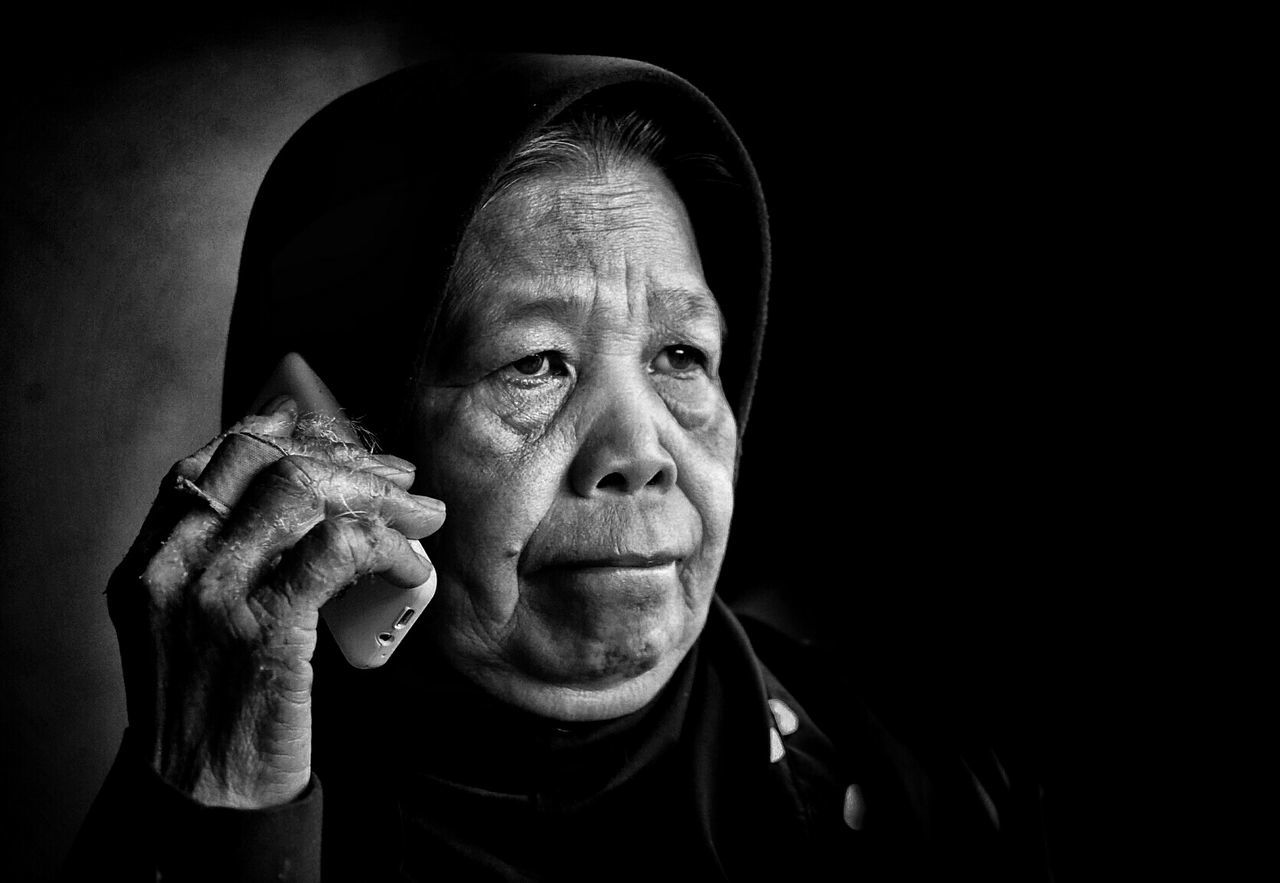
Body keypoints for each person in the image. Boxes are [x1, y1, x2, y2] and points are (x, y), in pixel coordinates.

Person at [64, 53, 1052, 881]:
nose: (640, 457)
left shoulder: (933, 787)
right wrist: (223, 817)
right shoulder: (225, 798)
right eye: (537, 364)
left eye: (681, 357)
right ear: (338, 442)